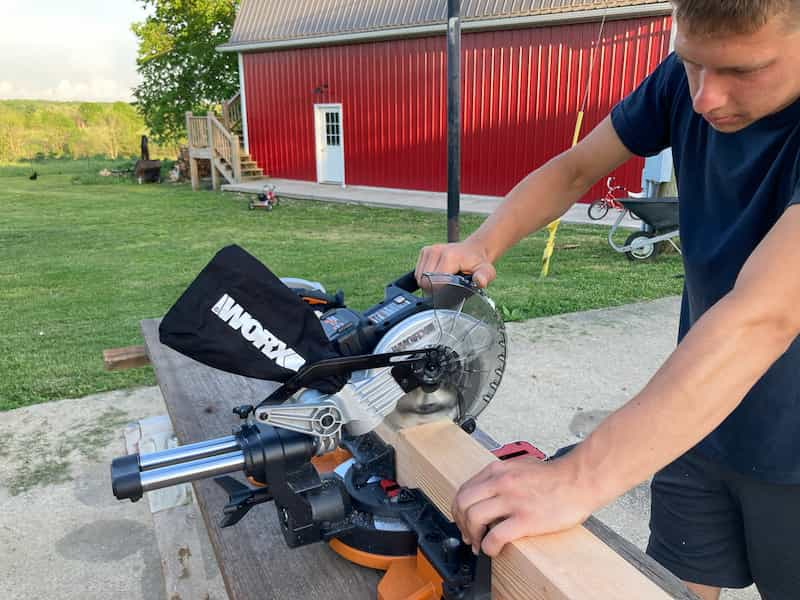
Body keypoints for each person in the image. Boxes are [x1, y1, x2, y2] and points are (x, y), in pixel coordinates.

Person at [414, 2, 800, 598]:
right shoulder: (685, 80)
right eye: (691, 62)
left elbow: (764, 315)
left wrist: (579, 477)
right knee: (661, 587)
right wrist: (482, 243)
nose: (703, 97)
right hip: (687, 420)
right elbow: (575, 170)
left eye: (742, 71)